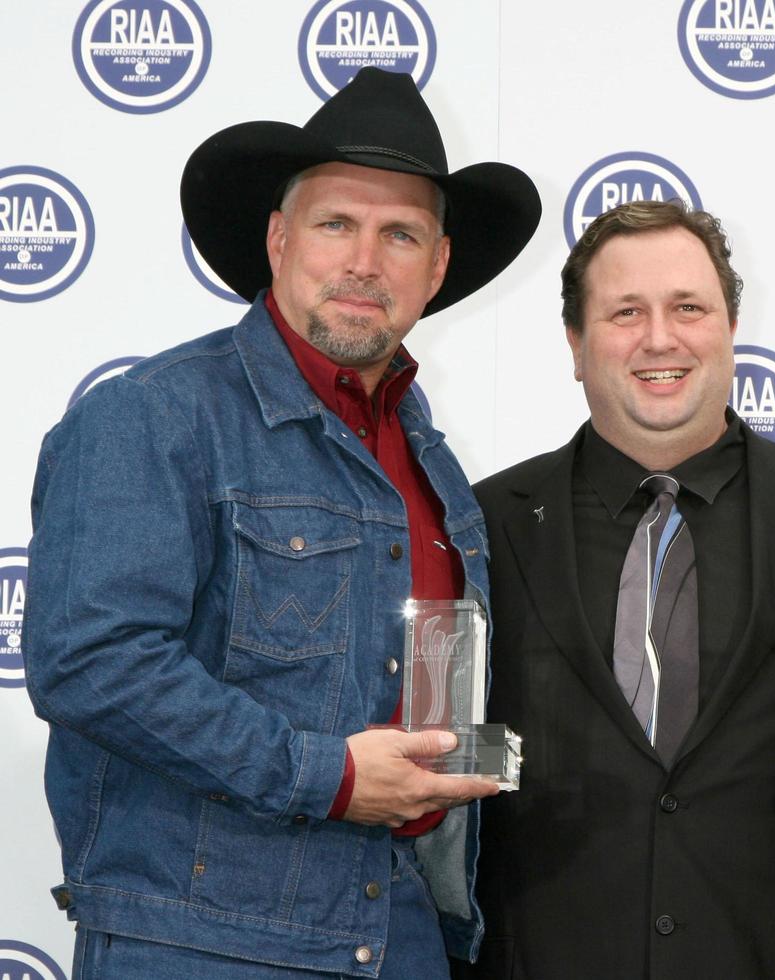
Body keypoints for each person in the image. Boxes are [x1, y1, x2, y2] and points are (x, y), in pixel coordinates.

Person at [23, 67, 540, 979]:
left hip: (403, 936)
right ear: (278, 238)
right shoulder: (155, 415)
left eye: (401, 234)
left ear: (439, 267)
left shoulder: (433, 465)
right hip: (202, 945)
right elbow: (91, 662)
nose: (364, 261)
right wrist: (328, 775)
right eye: (336, 223)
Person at [459, 200, 775, 980]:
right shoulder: (482, 524)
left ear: (729, 328)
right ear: (576, 346)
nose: (658, 337)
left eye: (687, 307)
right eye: (624, 312)